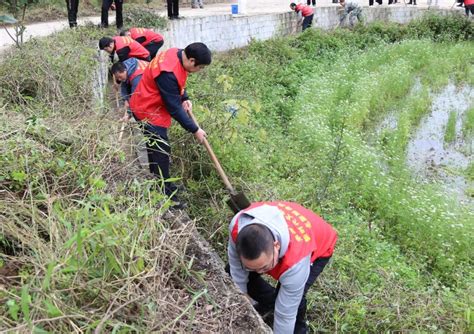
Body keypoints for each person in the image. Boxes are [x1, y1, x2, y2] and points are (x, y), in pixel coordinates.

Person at [227, 201, 338, 334]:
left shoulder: (296, 261)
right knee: (232, 272)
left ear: (276, 246)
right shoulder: (237, 226)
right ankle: (270, 304)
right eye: (251, 267)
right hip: (284, 233)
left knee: (293, 299)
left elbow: (286, 315)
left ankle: (299, 330)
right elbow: (236, 266)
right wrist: (241, 295)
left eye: (264, 267)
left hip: (320, 245)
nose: (260, 272)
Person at [129, 43, 211, 207]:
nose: (200, 70)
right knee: (161, 152)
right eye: (200, 67)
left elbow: (178, 84)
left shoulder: (176, 54)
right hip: (148, 111)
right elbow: (174, 108)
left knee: (155, 150)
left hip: (146, 103)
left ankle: (159, 183)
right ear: (192, 60)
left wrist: (184, 97)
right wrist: (195, 129)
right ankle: (165, 196)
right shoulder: (168, 72)